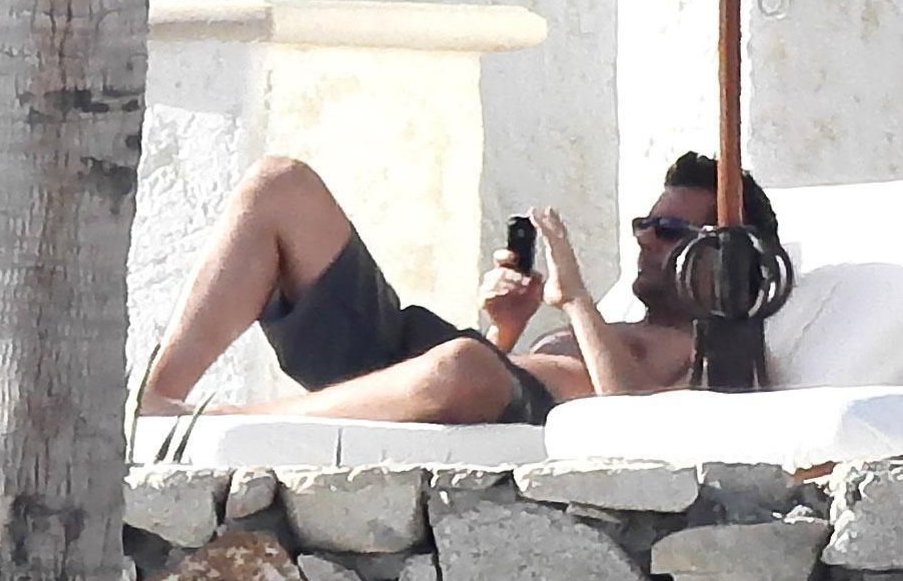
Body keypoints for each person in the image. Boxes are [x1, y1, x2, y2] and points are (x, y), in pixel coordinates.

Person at [141, 151, 780, 423]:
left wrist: (576, 299)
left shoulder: (724, 351)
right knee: (281, 184)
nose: (645, 239)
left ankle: (225, 424)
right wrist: (507, 327)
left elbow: (632, 425)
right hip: (428, 367)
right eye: (645, 224)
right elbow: (500, 371)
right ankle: (158, 401)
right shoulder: (621, 328)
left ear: (726, 256)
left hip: (466, 385)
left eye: (670, 230)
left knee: (462, 366)